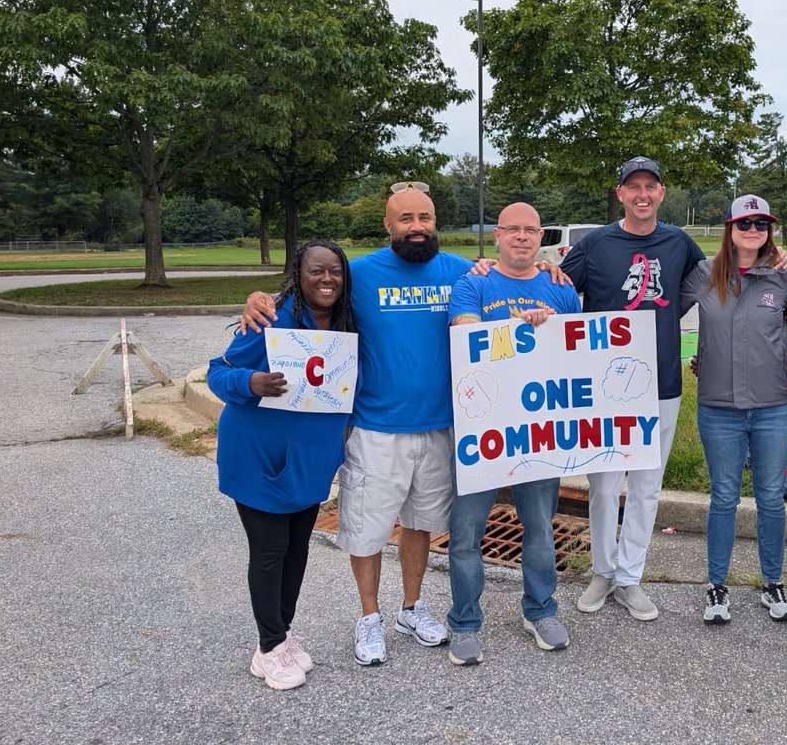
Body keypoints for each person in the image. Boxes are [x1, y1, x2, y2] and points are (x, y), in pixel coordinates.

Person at [241, 184, 471, 665]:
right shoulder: (358, 273)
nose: (417, 226)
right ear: (387, 225)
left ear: (436, 221)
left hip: (439, 424)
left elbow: (508, 286)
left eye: (425, 217)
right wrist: (257, 299)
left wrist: (548, 270)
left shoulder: (462, 271)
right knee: (367, 529)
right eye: (405, 218)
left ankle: (411, 607)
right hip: (375, 425)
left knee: (421, 524)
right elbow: (305, 292)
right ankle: (370, 618)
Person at [562, 156, 706, 622]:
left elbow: (711, 286)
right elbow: (560, 291)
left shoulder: (679, 242)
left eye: (651, 186)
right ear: (621, 193)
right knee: (603, 485)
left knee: (646, 485)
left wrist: (775, 261)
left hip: (661, 382)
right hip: (605, 385)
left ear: (662, 193)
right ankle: (602, 571)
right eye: (633, 187)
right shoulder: (596, 243)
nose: (642, 194)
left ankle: (630, 576)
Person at [208, 240, 355, 690]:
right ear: (299, 273)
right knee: (270, 553)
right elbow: (218, 371)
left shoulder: (350, 322)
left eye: (334, 271)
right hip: (260, 460)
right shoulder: (273, 317)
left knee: (297, 551)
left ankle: (282, 633)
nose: (326, 279)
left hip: (309, 463)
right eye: (316, 271)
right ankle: (268, 648)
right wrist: (249, 381)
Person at [444, 202, 583, 666]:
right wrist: (517, 328)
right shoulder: (475, 283)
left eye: (530, 230)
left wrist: (553, 325)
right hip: (480, 427)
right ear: (498, 236)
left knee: (540, 527)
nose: (522, 237)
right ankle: (464, 621)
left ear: (541, 237)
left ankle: (540, 610)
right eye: (512, 230)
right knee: (466, 531)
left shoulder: (559, 288)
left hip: (537, 430)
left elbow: (578, 352)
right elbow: (464, 334)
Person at [680, 194, 787, 626]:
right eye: (744, 224)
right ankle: (717, 585)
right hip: (719, 408)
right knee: (724, 498)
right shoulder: (702, 276)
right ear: (729, 229)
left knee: (771, 497)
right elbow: (656, 316)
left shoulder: (784, 279)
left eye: (761, 225)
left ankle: (773, 583)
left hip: (773, 407)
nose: (753, 232)